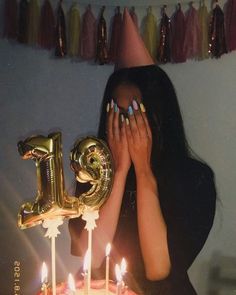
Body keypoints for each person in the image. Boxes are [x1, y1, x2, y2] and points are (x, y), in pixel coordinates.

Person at [69, 8, 216, 295]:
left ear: (158, 116)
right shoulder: (91, 175)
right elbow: (92, 255)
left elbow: (158, 269)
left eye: (134, 114)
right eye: (117, 114)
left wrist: (144, 171)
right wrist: (119, 172)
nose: (125, 127)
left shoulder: (194, 178)